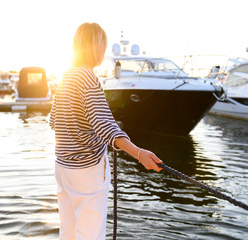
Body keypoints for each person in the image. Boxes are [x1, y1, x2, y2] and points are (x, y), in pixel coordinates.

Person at [49, 22, 163, 240]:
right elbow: (105, 126)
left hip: (63, 168)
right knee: (90, 235)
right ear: (94, 47)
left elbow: (54, 120)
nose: (104, 51)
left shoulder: (66, 76)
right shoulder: (88, 78)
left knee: (69, 233)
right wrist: (139, 153)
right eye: (103, 45)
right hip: (87, 171)